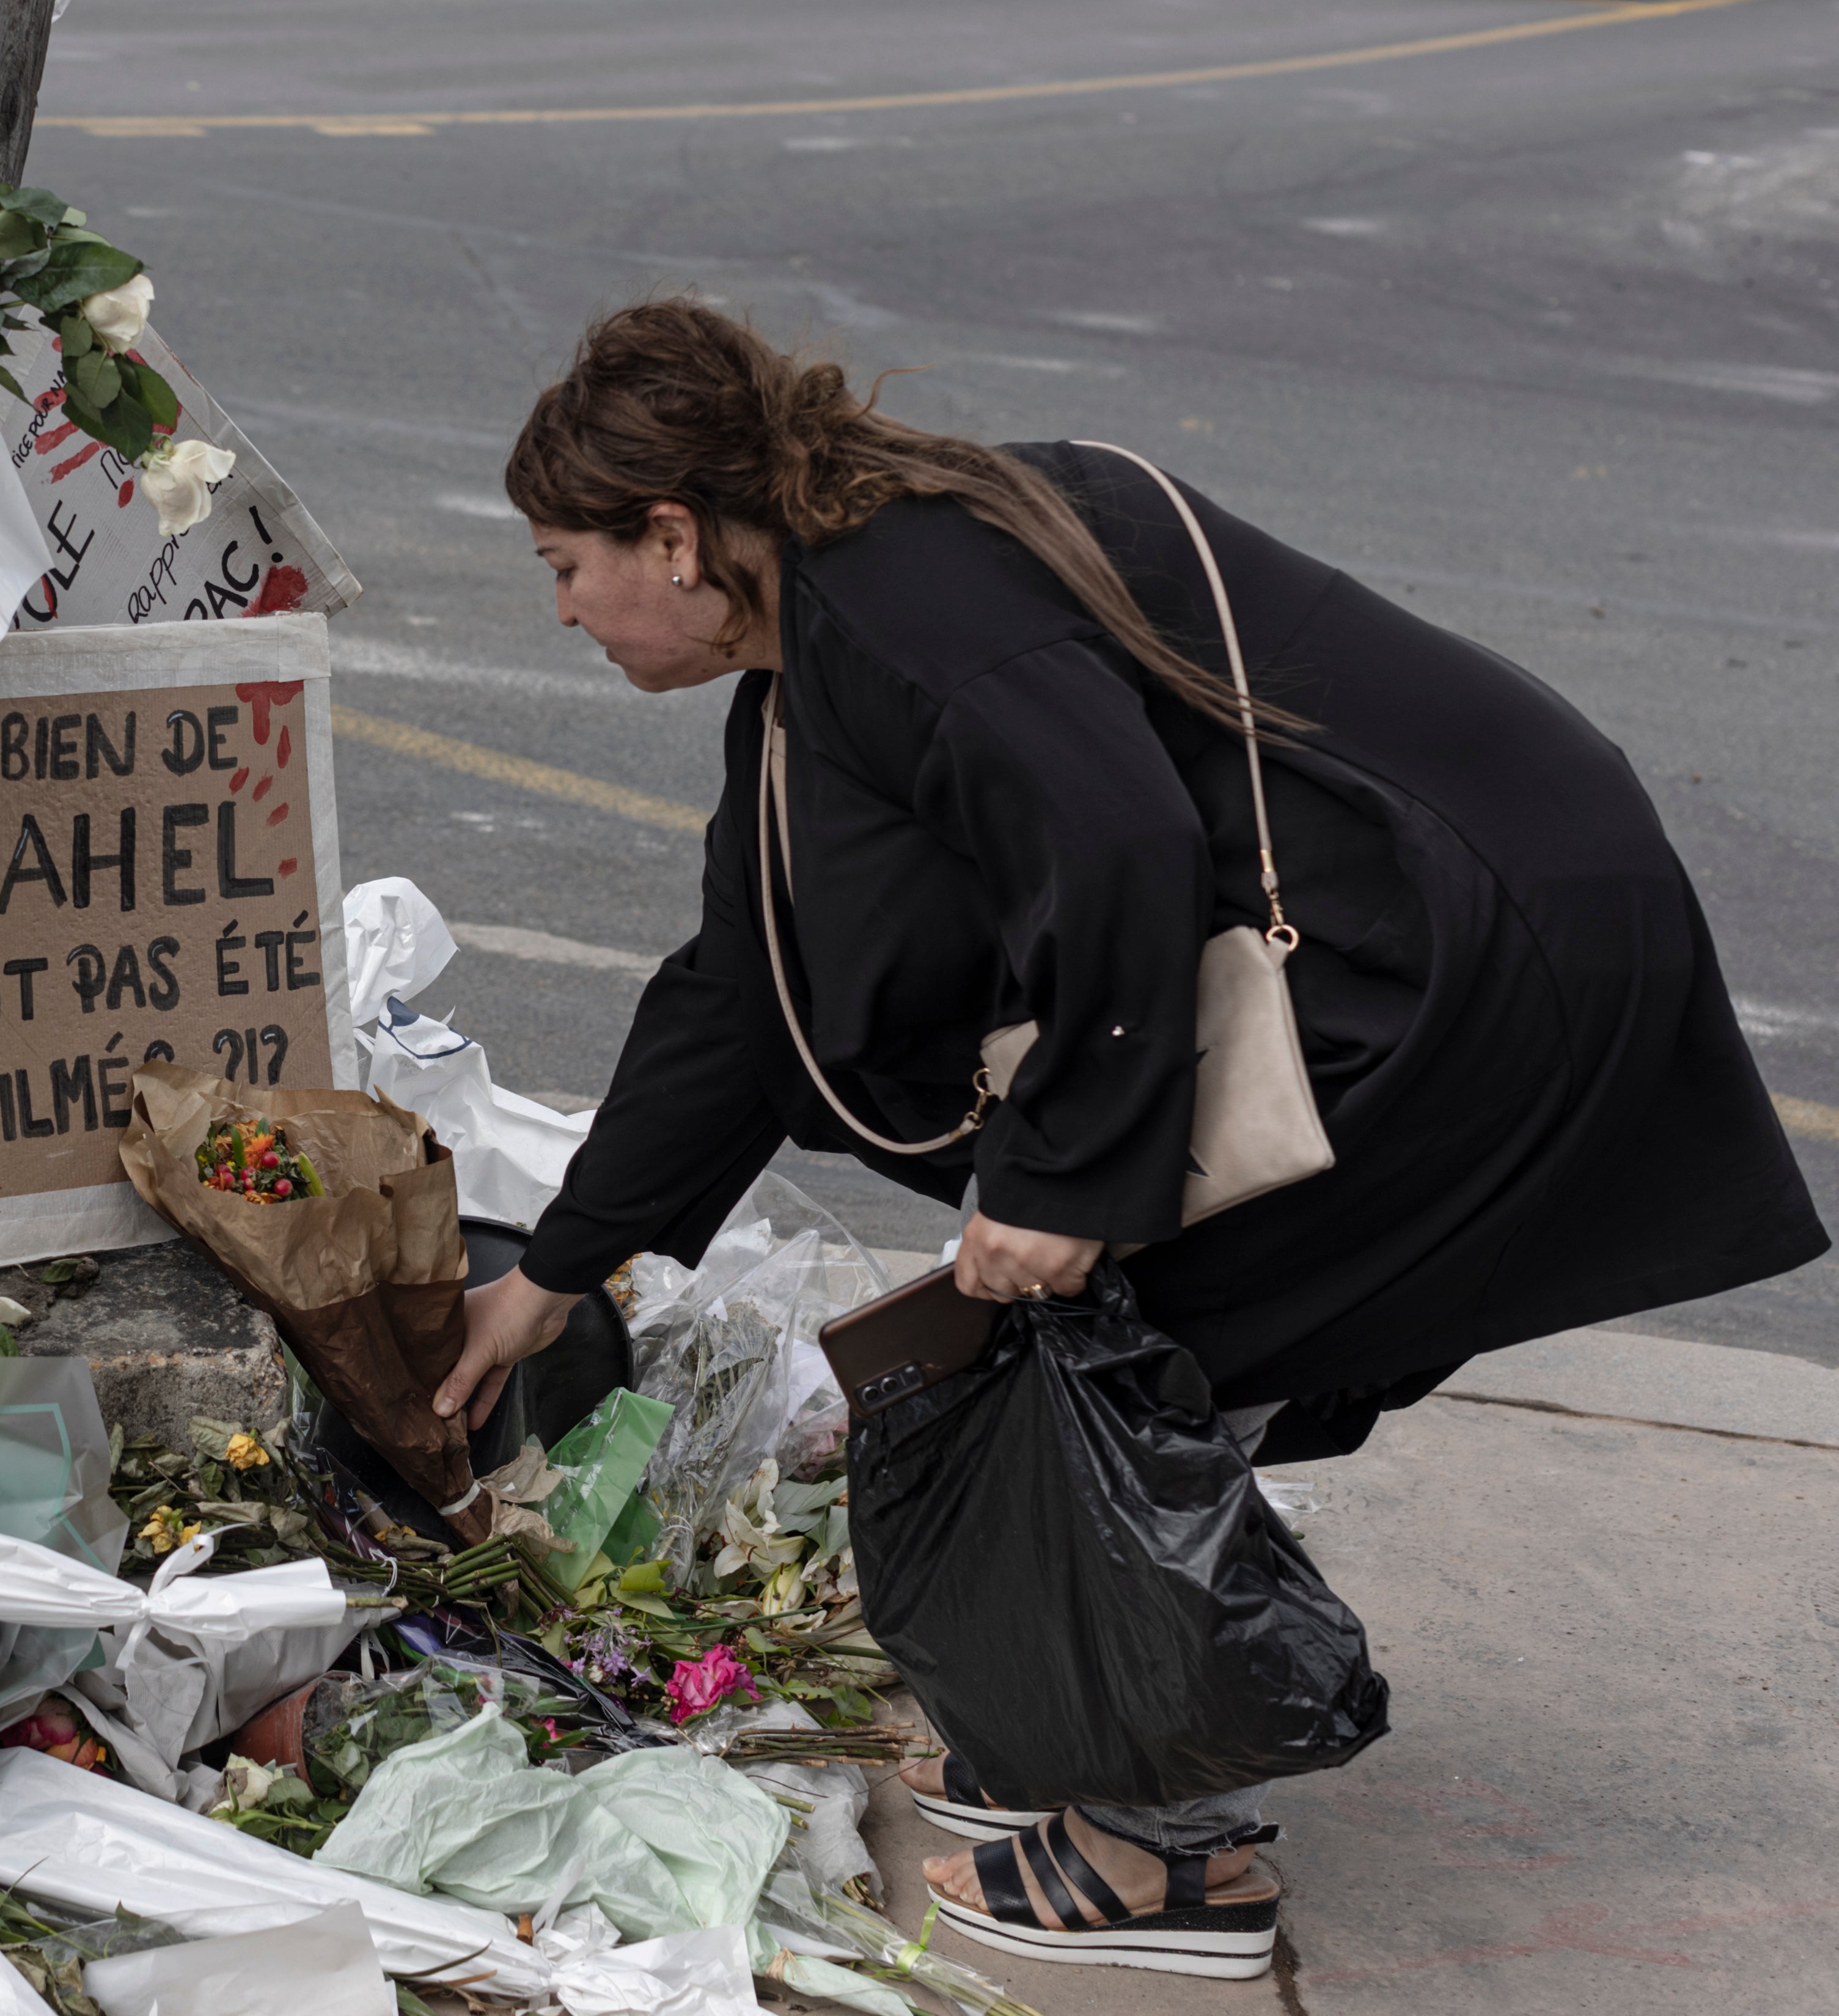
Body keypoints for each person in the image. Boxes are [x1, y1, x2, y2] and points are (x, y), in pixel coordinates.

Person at [428, 297, 1826, 1976]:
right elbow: (745, 989)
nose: (564, 608)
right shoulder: (834, 630)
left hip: (1474, 946)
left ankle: (1169, 1858)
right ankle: (1100, 1739)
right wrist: (559, 1268)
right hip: (1433, 924)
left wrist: (1065, 1178)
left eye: (563, 563)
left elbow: (1116, 844)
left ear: (674, 534)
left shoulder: (909, 608)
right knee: (1115, 1339)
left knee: (1128, 1349)